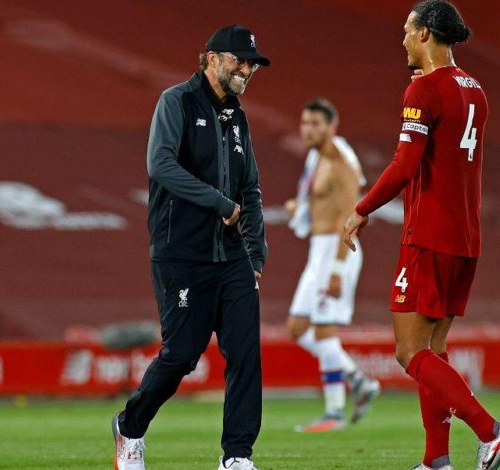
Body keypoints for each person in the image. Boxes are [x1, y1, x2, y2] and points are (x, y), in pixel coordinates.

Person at [342, 2, 500, 469]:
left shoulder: (423, 88)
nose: (402, 39)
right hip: (466, 237)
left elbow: (405, 165)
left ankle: (491, 432)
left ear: (424, 34)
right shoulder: (475, 90)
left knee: (409, 352)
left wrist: (361, 209)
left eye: (407, 30)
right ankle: (435, 461)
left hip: (429, 234)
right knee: (434, 353)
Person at [112, 25, 269, 470]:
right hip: (181, 253)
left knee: (245, 356)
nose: (246, 70)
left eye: (252, 64)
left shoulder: (237, 117)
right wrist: (218, 202)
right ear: (211, 58)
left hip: (232, 257)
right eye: (239, 60)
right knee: (181, 356)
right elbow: (160, 164)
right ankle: (130, 427)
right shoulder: (176, 101)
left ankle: (237, 456)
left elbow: (250, 187)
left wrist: (256, 252)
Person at [284, 98, 381, 432]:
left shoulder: (341, 163)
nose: (307, 130)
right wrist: (300, 207)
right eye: (304, 123)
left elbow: (349, 217)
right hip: (318, 250)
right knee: (297, 327)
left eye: (315, 124)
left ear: (331, 127)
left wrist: (338, 270)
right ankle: (358, 380)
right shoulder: (316, 158)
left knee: (325, 330)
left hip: (338, 252)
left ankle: (335, 412)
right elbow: (321, 203)